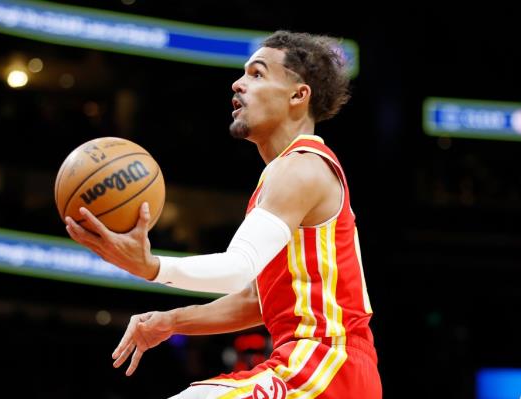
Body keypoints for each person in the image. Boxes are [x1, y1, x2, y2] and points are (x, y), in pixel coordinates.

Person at [65, 30, 382, 399]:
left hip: (324, 366)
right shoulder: (286, 175)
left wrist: (152, 267)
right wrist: (170, 322)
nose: (238, 83)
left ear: (299, 95)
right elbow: (255, 301)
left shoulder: (302, 167)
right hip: (333, 373)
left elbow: (238, 267)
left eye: (257, 74)